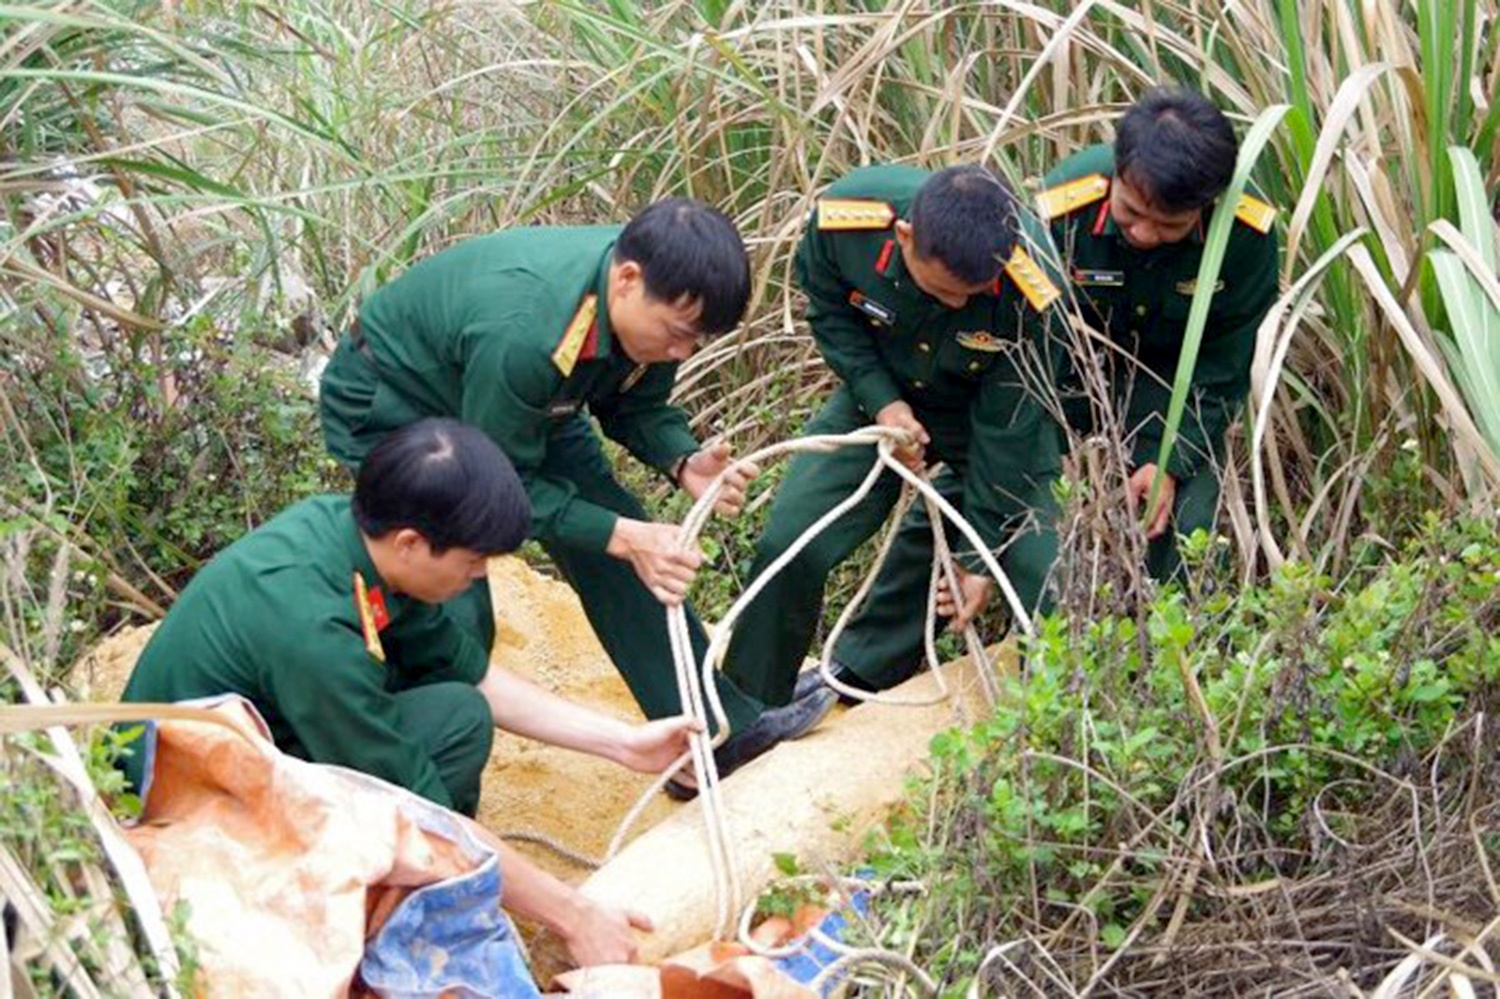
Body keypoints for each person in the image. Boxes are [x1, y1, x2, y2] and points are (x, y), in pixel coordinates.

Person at [122, 419, 686, 965]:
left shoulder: (359, 544)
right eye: (472, 562)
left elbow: (474, 678)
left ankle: (425, 876)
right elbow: (416, 808)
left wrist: (624, 744)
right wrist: (573, 915)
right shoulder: (314, 631)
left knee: (458, 716)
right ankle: (364, 901)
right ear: (413, 543)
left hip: (258, 737)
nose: (479, 576)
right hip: (180, 806)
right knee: (422, 805)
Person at [317, 200, 834, 788]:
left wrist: (680, 458)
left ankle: (711, 737)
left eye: (696, 341)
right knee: (454, 583)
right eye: (677, 335)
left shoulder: (651, 304)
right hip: (395, 400)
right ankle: (415, 772)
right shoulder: (528, 328)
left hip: (525, 401)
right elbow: (505, 487)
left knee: (627, 546)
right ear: (628, 279)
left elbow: (633, 402)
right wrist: (620, 537)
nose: (682, 354)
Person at [726, 164, 1067, 711]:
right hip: (879, 396)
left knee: (1045, 575)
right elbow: (831, 313)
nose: (957, 305)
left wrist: (977, 561)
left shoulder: (1036, 288)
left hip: (989, 421)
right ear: (904, 236)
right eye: (943, 290)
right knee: (789, 544)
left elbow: (1011, 430)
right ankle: (744, 712)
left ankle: (1046, 731)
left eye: (972, 294)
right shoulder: (846, 224)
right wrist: (884, 401)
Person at [1034, 86, 1279, 579]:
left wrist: (1165, 459)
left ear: (1207, 204)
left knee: (1187, 524)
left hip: (1175, 385)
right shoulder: (1060, 211)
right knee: (990, 475)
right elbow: (1026, 335)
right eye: (1131, 212)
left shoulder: (1245, 236)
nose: (1144, 234)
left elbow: (1225, 362)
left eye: (1168, 225)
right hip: (1071, 371)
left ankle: (1167, 641)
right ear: (1117, 175)